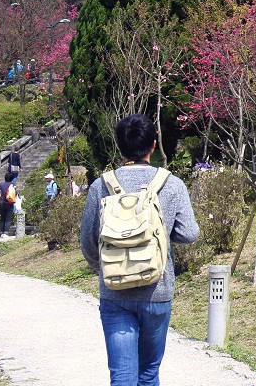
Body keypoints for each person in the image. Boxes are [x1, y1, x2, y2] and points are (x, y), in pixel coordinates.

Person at [79, 113, 199, 386]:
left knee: (122, 376)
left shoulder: (102, 186)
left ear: (120, 146)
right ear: (153, 145)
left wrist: (104, 265)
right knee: (148, 374)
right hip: (157, 290)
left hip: (114, 290)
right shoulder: (172, 184)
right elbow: (189, 233)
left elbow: (87, 241)